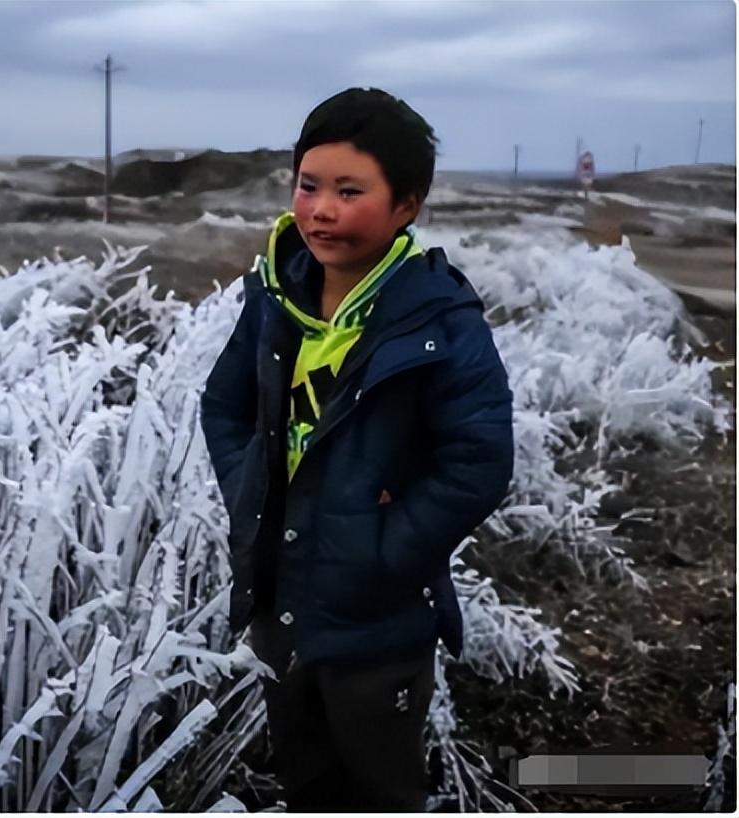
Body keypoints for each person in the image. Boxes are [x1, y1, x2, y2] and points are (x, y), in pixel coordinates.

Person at [199, 87, 515, 812]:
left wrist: (385, 553)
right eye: (309, 186)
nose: (321, 210)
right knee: (305, 782)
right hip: (280, 604)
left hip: (379, 626)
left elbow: (478, 460)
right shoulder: (277, 295)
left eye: (350, 191)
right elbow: (224, 406)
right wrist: (251, 493)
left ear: (407, 204)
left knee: (381, 789)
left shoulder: (439, 319)